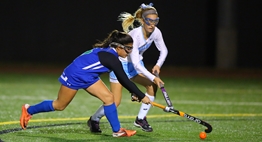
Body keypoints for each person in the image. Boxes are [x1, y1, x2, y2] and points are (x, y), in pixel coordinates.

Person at [19, 30, 152, 137]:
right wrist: (141, 95)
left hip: (89, 76)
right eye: (128, 48)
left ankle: (117, 131)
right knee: (59, 105)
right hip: (75, 74)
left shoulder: (111, 54)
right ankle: (28, 110)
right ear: (118, 47)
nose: (129, 52)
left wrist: (135, 93)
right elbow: (123, 79)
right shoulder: (112, 58)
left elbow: (123, 80)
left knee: (109, 98)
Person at [88, 3, 168, 133]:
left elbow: (164, 50)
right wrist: (154, 78)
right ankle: (94, 119)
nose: (152, 24)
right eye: (149, 21)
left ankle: (140, 119)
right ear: (142, 20)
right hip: (120, 64)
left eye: (156, 21)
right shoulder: (135, 36)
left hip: (135, 65)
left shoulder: (156, 32)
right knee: (115, 102)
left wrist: (158, 65)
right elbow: (135, 63)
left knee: (151, 86)